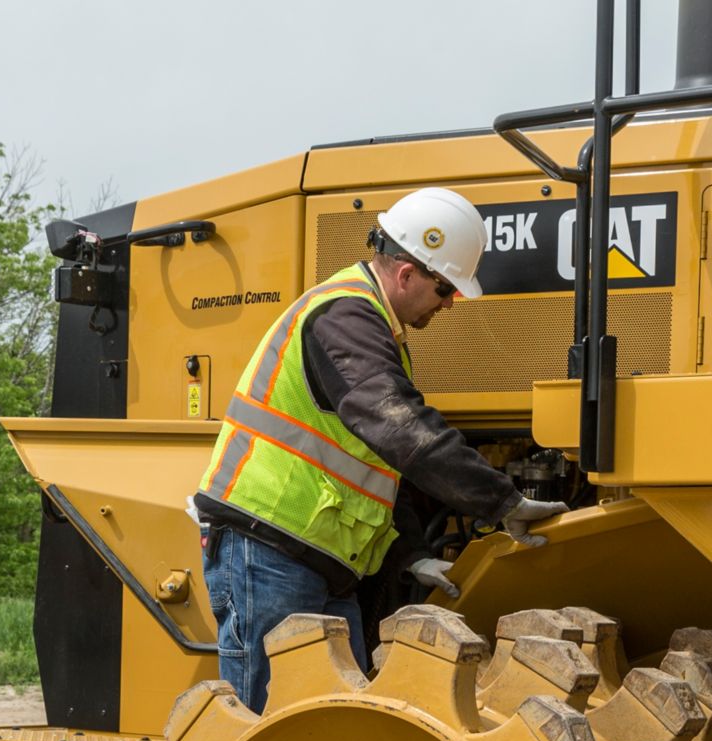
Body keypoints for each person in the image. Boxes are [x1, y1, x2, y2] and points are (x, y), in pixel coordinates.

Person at [192, 187, 568, 711]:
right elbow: (402, 430)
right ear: (407, 273)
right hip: (270, 553)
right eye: (445, 288)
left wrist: (411, 555)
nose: (449, 304)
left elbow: (374, 469)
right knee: (262, 730)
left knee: (330, 730)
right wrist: (501, 501)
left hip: (311, 562)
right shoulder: (344, 317)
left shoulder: (371, 328)